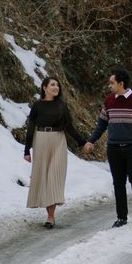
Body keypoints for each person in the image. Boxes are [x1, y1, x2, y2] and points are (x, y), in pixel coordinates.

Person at [83, 67, 132, 228]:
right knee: (118, 183)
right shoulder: (109, 101)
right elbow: (101, 124)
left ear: (121, 83)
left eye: (112, 83)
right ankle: (122, 217)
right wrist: (91, 141)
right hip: (113, 148)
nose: (110, 85)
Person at [24, 76, 86, 229]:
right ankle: (49, 214)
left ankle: (51, 216)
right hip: (40, 141)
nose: (56, 87)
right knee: (44, 177)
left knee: (54, 177)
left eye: (57, 85)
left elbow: (69, 126)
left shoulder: (62, 106)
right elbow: (31, 128)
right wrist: (27, 150)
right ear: (44, 88)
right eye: (52, 85)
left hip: (58, 141)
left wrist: (82, 142)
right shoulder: (37, 106)